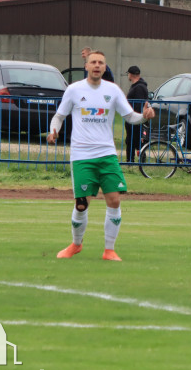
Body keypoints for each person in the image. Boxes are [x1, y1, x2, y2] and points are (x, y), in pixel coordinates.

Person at [47, 49, 153, 261]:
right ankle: (76, 245)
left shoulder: (113, 90)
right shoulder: (74, 90)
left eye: (100, 63)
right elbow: (59, 116)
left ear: (105, 67)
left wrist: (144, 117)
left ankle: (109, 250)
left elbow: (130, 116)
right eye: (93, 62)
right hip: (82, 155)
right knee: (82, 203)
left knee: (113, 200)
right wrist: (53, 130)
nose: (97, 65)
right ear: (86, 66)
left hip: (106, 154)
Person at [124, 65, 149, 163]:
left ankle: (135, 160)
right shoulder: (136, 86)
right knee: (131, 139)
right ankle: (131, 160)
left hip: (135, 118)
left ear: (131, 74)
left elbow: (138, 104)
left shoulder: (139, 87)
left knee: (135, 140)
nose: (128, 76)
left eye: (128, 74)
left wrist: (137, 117)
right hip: (131, 117)